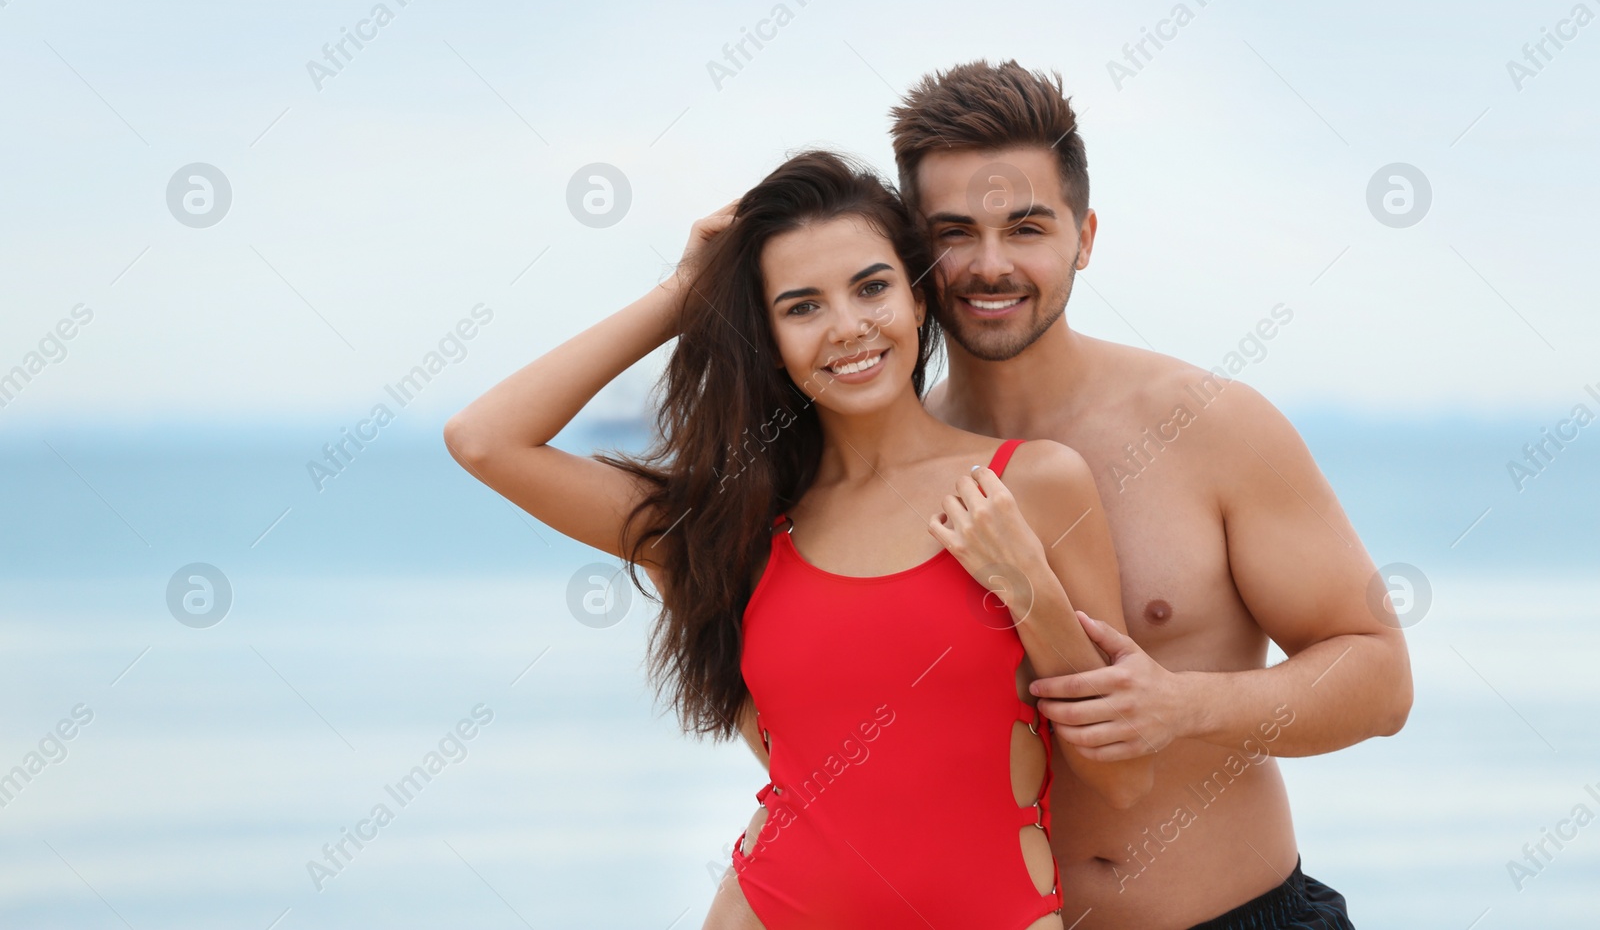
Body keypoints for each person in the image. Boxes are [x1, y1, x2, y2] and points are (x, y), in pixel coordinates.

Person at [442, 150, 1153, 930]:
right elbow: (485, 440)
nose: (848, 327)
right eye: (802, 306)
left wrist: (1029, 589)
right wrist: (685, 294)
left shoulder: (1033, 486)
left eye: (872, 287)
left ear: (919, 300)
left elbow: (1121, 779)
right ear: (770, 337)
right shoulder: (738, 529)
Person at [883, 59, 1414, 930]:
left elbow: (1381, 678)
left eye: (1026, 228)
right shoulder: (889, 471)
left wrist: (1183, 705)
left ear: (1084, 236)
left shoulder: (1209, 425)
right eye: (953, 232)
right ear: (911, 248)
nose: (989, 265)